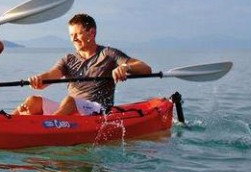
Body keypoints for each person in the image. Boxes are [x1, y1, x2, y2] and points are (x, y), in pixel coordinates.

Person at [14, 13, 151, 116]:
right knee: (33, 101)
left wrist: (125, 67)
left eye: (77, 34)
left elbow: (145, 68)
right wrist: (38, 80)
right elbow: (49, 76)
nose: (73, 39)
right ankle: (4, 120)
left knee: (70, 101)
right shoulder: (68, 59)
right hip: (69, 111)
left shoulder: (108, 54)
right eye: (71, 35)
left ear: (91, 33)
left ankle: (45, 127)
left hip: (98, 111)